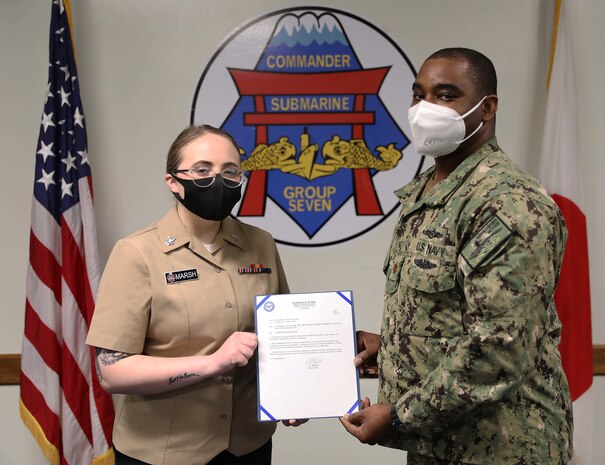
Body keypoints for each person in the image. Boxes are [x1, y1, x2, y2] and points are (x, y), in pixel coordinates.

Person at [340, 48, 573, 465]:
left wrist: (398, 417)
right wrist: (393, 348)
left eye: (446, 95)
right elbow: (449, 314)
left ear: (487, 108)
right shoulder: (429, 192)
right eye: (419, 94)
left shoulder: (507, 202)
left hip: (502, 445)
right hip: (439, 443)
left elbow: (499, 348)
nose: (426, 109)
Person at [86, 125, 299, 465]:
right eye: (202, 170)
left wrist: (294, 395)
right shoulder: (136, 252)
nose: (218, 180)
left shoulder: (261, 243)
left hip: (247, 445)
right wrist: (212, 363)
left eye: (230, 172)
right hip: (163, 452)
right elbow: (112, 372)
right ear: (173, 181)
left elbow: (284, 336)